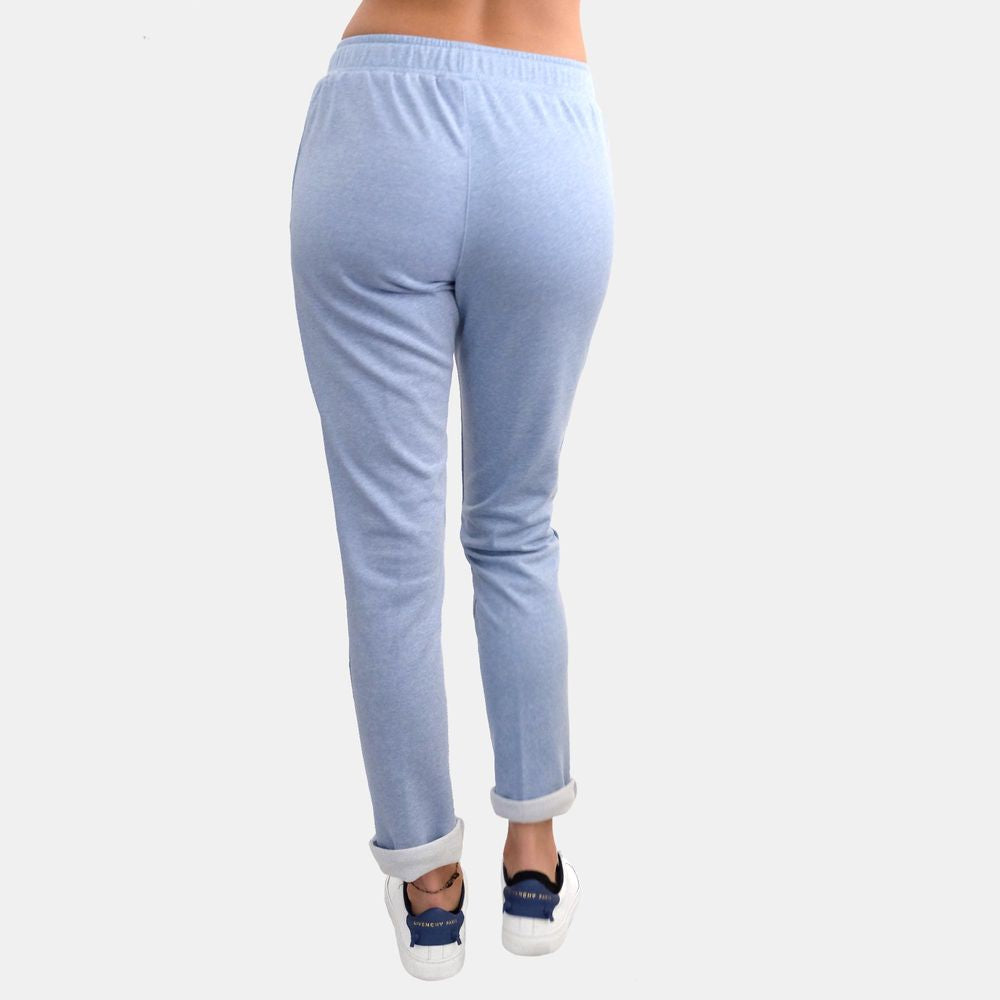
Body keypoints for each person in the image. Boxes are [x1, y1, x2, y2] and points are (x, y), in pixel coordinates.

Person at [289, 0, 614, 979]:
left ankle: (429, 888)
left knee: (389, 563)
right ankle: (533, 858)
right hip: (545, 130)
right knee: (516, 527)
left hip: (377, 133)